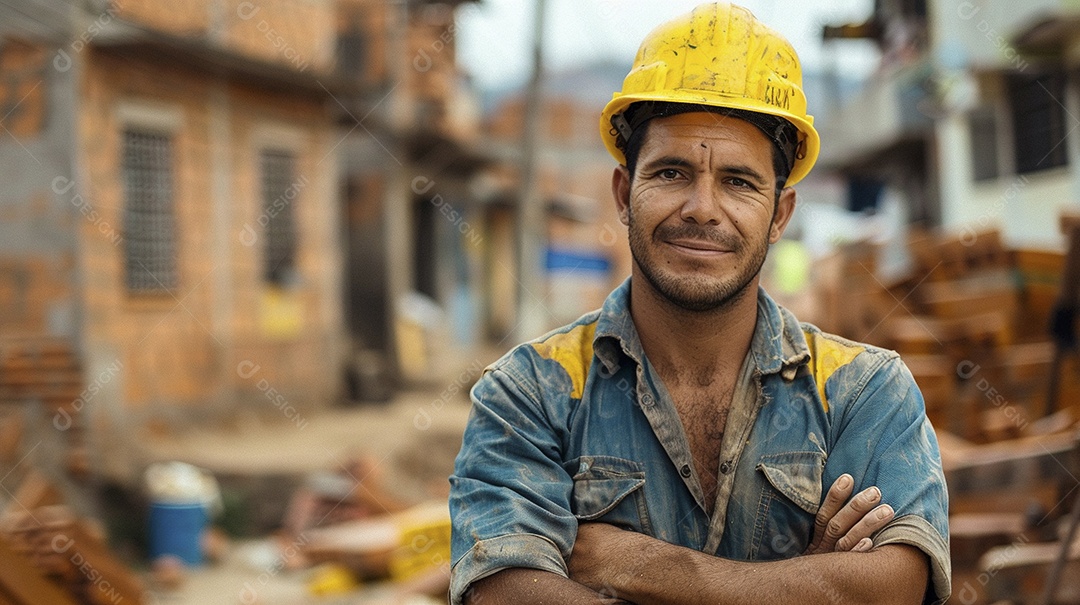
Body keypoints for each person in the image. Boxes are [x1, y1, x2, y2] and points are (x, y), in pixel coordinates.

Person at [448, 3, 951, 604]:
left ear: (780, 215)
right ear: (623, 193)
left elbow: (891, 587)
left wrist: (637, 565)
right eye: (670, 173)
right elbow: (505, 594)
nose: (702, 208)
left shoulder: (863, 391)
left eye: (738, 181)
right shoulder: (530, 393)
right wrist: (801, 587)